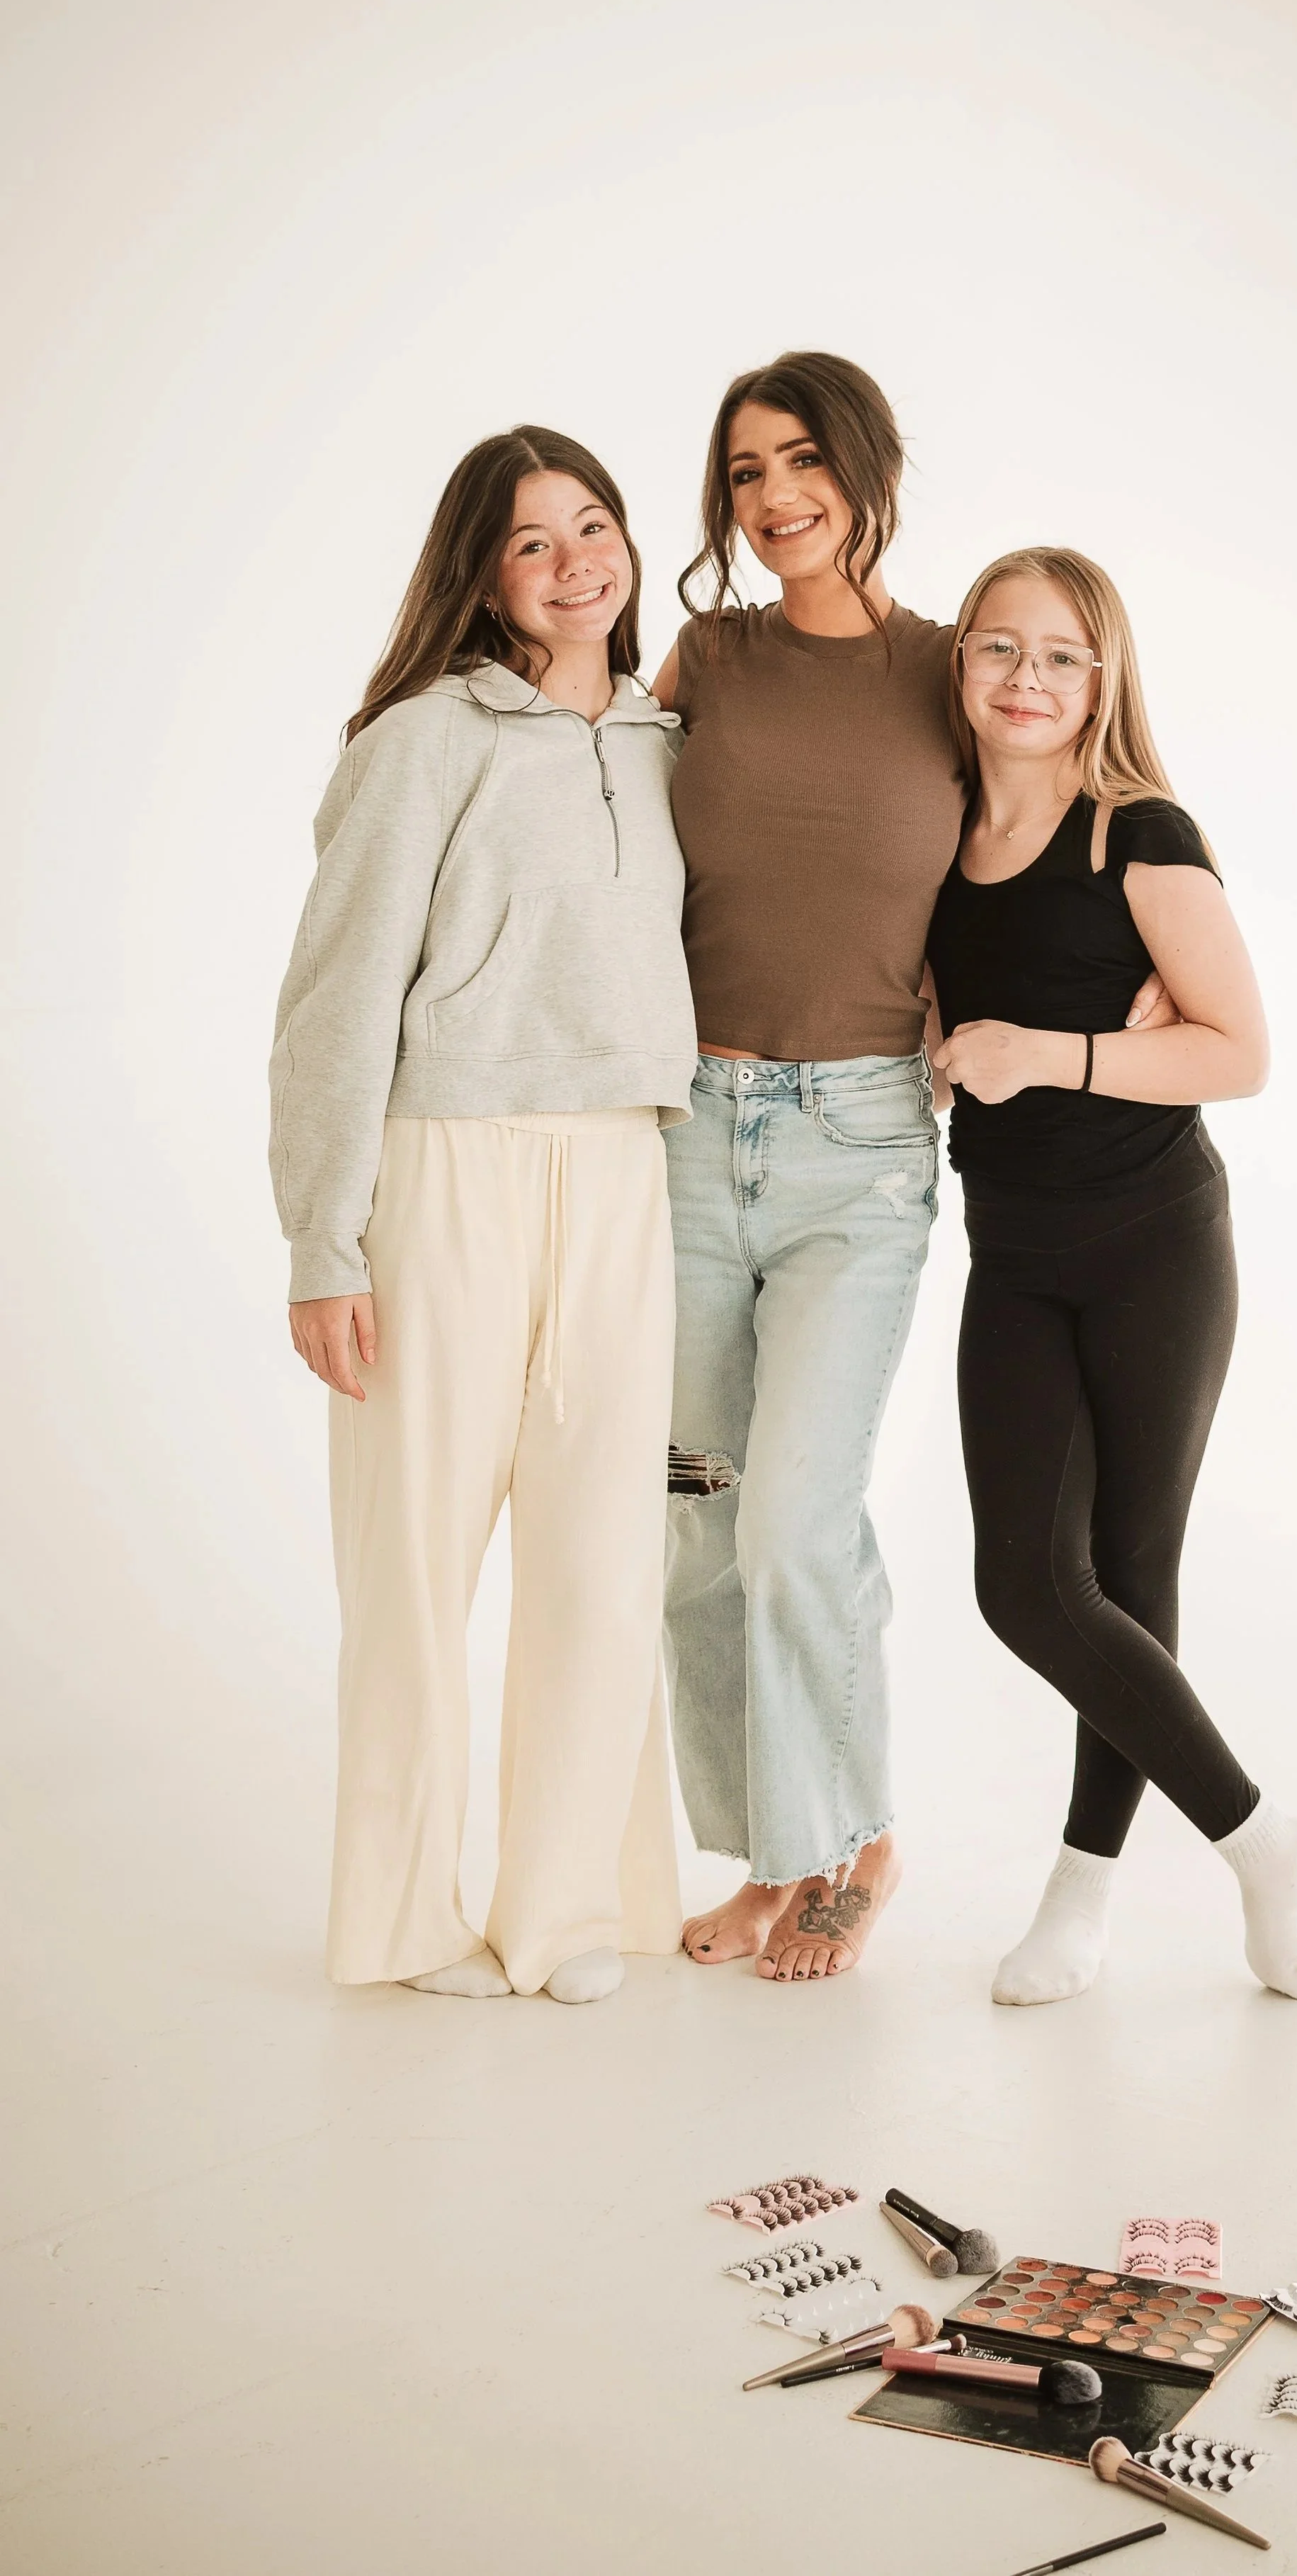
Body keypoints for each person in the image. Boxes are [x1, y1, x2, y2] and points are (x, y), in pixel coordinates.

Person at [270, 426, 695, 2002]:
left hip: (621, 1167)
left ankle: (567, 1910)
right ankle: (399, 1925)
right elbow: (331, 1003)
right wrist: (323, 1240)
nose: (577, 560)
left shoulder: (664, 736)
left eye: (595, 525)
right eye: (532, 542)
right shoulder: (420, 740)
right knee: (415, 1562)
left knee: (599, 1560)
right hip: (446, 1159)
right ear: (481, 572)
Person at [927, 547, 1297, 2006]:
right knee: (1027, 1585)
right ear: (957, 665)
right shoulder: (935, 831)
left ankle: (1084, 1897)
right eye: (995, 650)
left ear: (1103, 680)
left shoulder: (1134, 837)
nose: (1024, 681)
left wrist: (1047, 1054)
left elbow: (1239, 1051)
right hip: (1012, 1257)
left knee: (1124, 1576)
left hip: (1154, 1245)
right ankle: (1263, 1839)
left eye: (1059, 657)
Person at [650, 352, 961, 1983]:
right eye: (742, 473)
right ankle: (772, 1854)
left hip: (860, 1151)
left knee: (790, 1517)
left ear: (862, 464)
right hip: (692, 1133)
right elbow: (605, 837)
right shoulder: (708, 652)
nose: (770, 498)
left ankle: (854, 1835)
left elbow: (1030, 839)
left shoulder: (944, 669)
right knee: (697, 1521)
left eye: (797, 462)